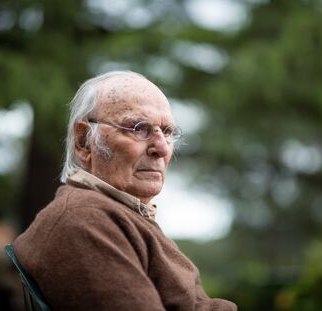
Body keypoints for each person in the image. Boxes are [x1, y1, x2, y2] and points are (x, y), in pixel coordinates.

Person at [13, 71, 237, 310]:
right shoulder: (84, 221)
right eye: (139, 128)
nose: (161, 148)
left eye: (168, 132)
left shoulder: (117, 214)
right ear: (84, 141)